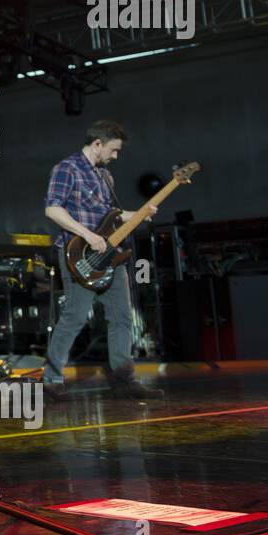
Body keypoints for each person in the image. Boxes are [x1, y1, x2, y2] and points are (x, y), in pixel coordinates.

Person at [42, 120, 162, 401]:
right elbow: (52, 209)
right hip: (78, 253)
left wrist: (139, 214)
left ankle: (123, 380)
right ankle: (50, 381)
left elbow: (112, 215)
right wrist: (88, 235)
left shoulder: (105, 176)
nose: (116, 156)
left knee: (121, 317)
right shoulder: (67, 168)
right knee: (74, 317)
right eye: (114, 150)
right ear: (97, 144)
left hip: (109, 256)